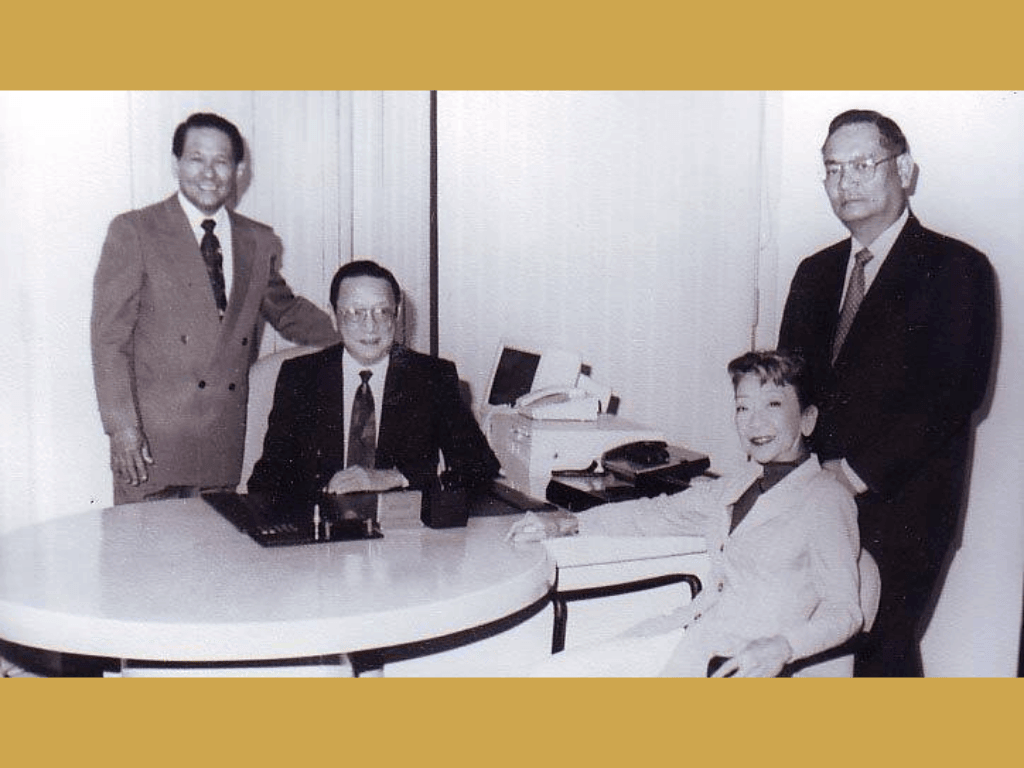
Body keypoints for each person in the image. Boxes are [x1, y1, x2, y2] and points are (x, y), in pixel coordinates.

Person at [778, 109, 996, 677]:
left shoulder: (957, 268)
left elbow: (954, 394)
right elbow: (789, 386)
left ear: (904, 170)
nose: (844, 182)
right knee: (805, 649)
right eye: (832, 169)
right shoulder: (814, 273)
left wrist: (851, 473)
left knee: (880, 650)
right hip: (811, 497)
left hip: (902, 506)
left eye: (861, 165)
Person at [508, 350, 862, 677]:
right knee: (546, 677)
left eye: (772, 404)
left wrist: (784, 647)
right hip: (690, 636)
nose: (754, 422)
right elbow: (656, 514)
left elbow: (845, 610)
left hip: (741, 664)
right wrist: (569, 523)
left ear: (807, 419)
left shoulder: (827, 498)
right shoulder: (737, 484)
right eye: (742, 407)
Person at [91, 112, 340, 505]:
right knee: (145, 561)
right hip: (151, 444)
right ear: (176, 164)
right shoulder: (135, 230)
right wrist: (121, 429)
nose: (209, 172)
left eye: (221, 161)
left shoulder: (258, 240)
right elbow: (109, 340)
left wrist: (355, 341)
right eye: (196, 158)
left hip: (220, 443)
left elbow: (286, 311)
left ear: (239, 170)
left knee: (214, 560)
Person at [247, 259, 500, 498]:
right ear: (334, 316)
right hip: (320, 527)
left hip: (401, 532)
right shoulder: (300, 376)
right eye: (355, 312)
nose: (370, 326)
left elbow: (480, 466)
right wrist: (324, 490)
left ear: (397, 315)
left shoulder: (431, 376)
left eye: (382, 311)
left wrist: (397, 477)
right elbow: (266, 478)